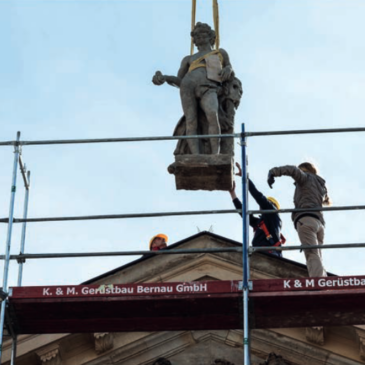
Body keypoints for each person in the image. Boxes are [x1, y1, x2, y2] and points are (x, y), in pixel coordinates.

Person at [153, 22, 234, 154]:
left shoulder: (220, 52)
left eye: (202, 34)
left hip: (209, 86)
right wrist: (165, 78)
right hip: (187, 86)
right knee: (191, 121)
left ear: (210, 36)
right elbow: (179, 80)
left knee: (212, 114)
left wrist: (228, 69)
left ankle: (215, 154)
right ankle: (196, 155)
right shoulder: (188, 59)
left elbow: (229, 67)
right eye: (196, 35)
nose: (198, 37)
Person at [267, 162, 331, 277]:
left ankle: (318, 284)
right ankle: (323, 280)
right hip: (319, 224)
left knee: (312, 255)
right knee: (317, 256)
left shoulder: (306, 177)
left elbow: (292, 170)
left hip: (306, 220)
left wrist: (273, 172)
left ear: (304, 169)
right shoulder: (320, 185)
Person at [229, 163, 285, 257]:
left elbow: (258, 196)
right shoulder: (261, 222)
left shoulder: (273, 213)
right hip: (260, 254)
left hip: (270, 255)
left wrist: (245, 177)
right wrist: (232, 193)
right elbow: (244, 214)